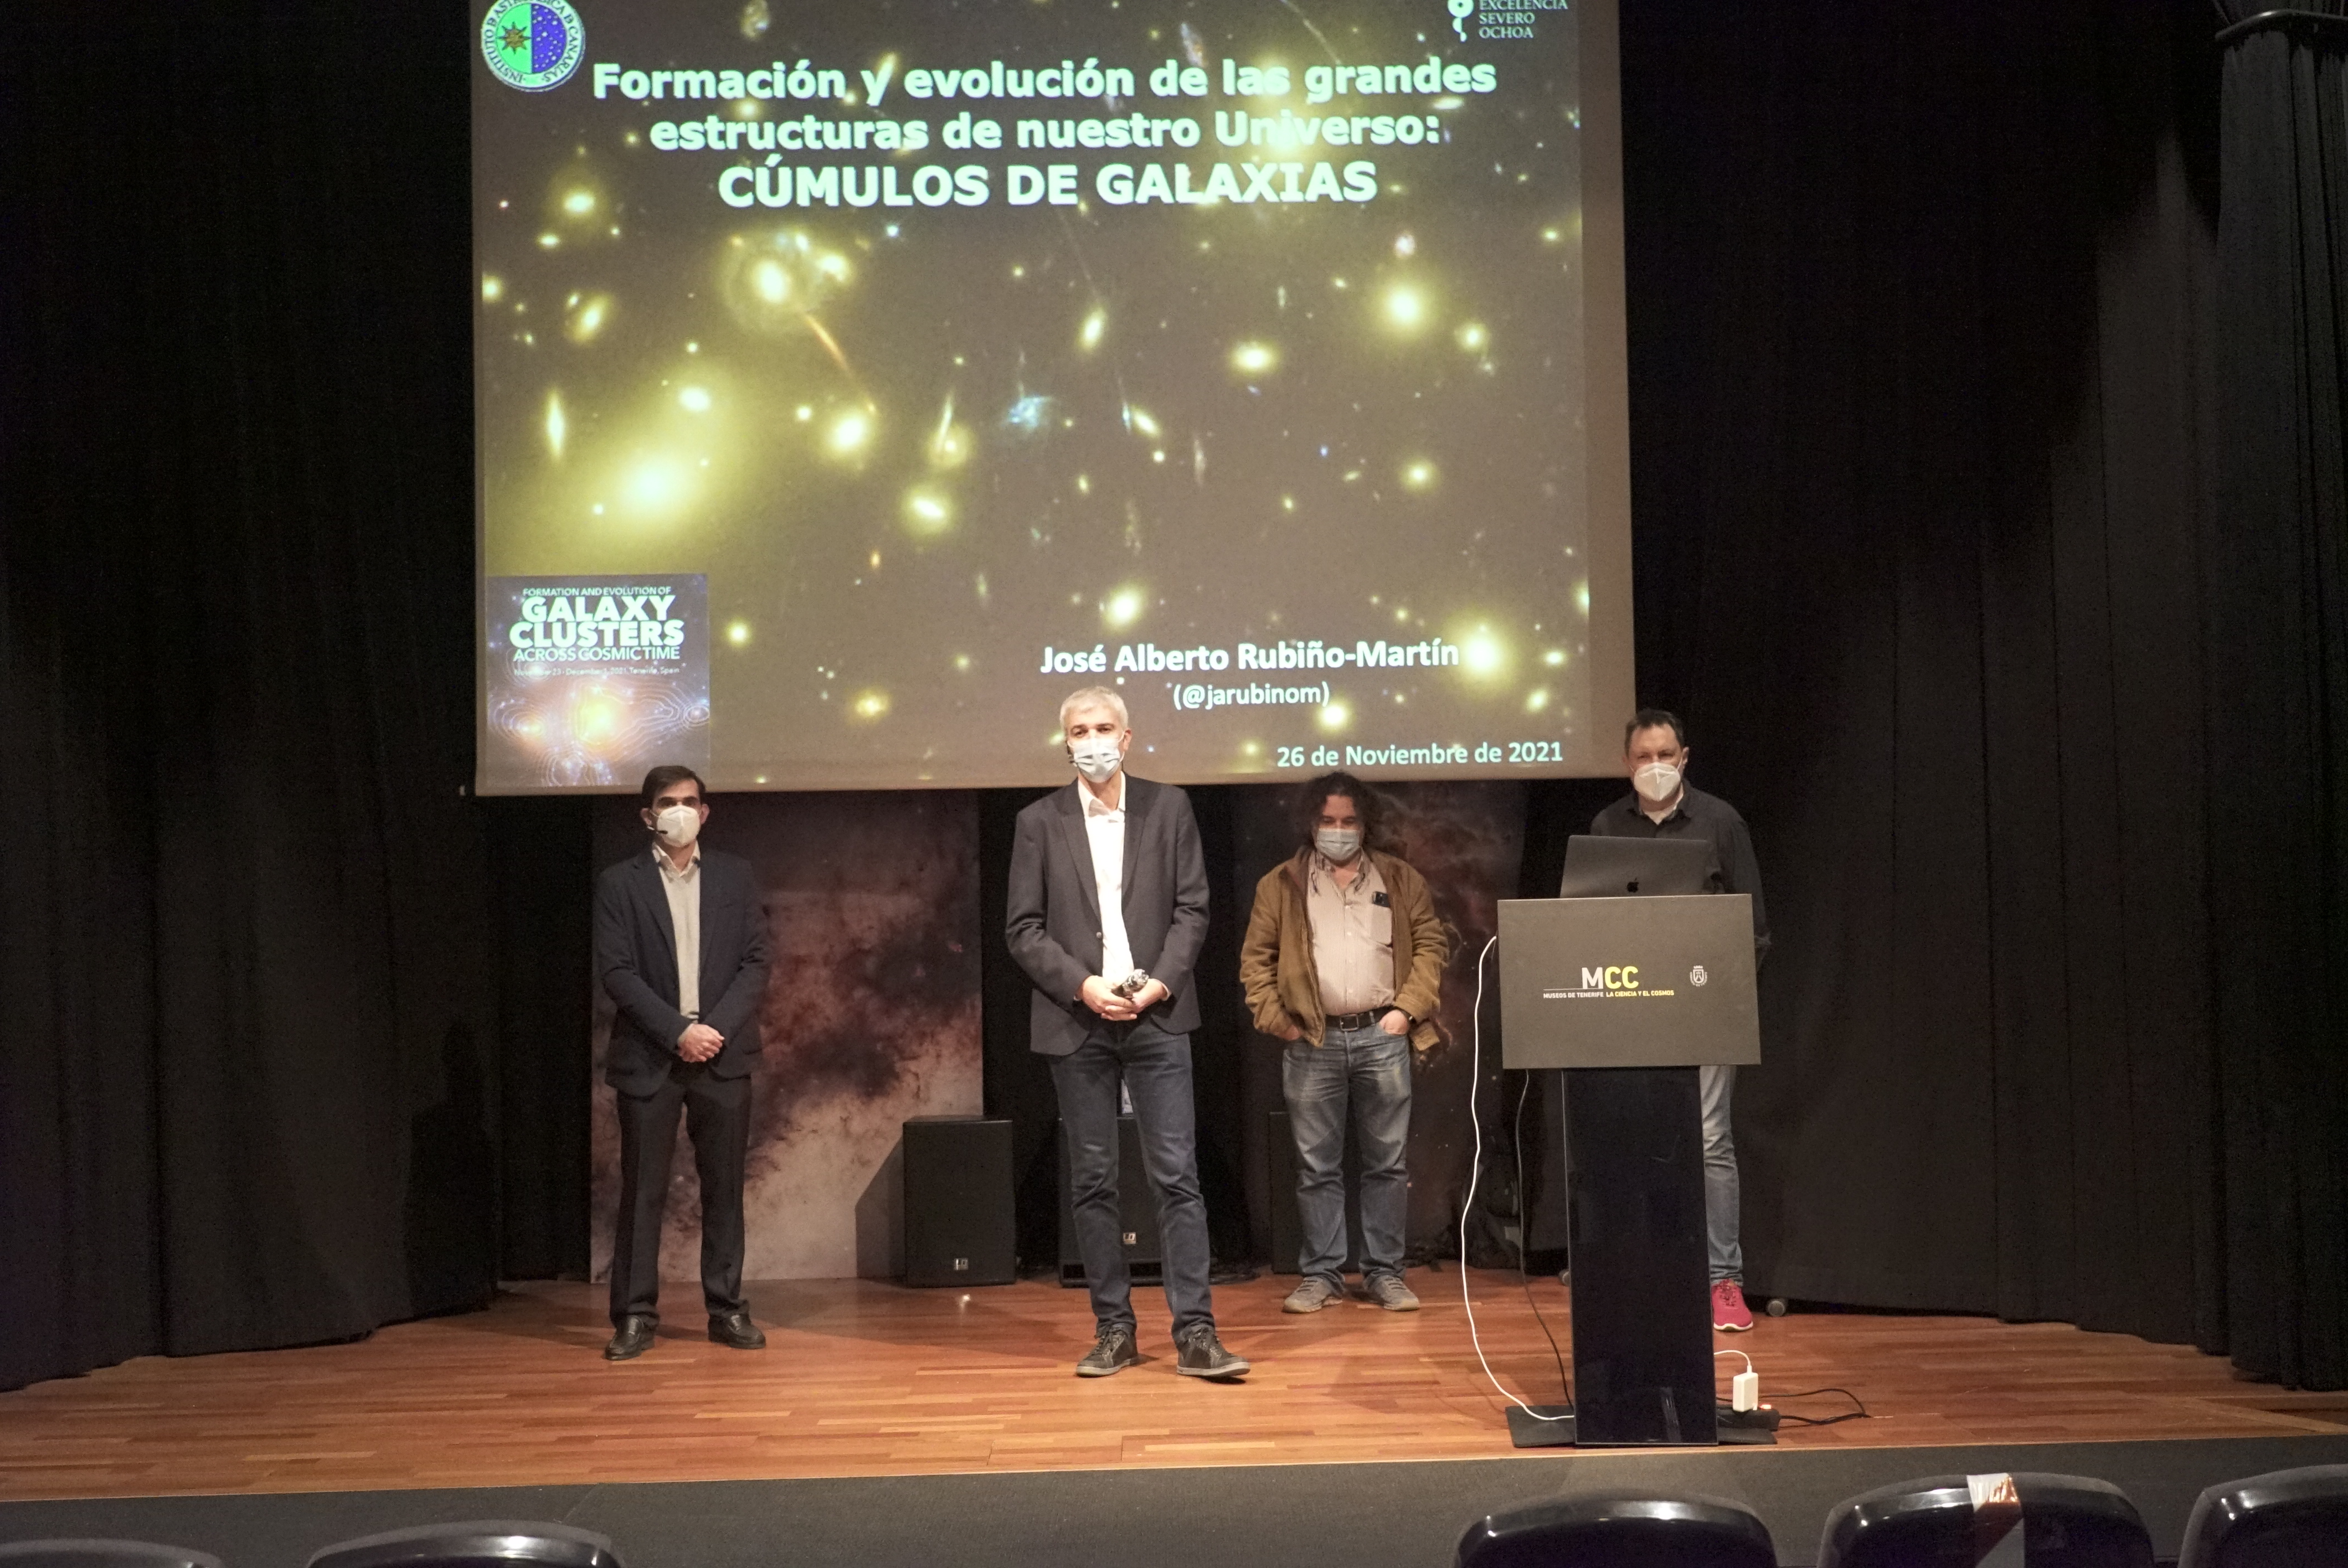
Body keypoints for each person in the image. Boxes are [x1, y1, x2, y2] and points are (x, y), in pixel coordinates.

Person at [1005, 687, 1249, 1380]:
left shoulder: (1168, 807)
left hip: (1158, 1016)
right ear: (1066, 743)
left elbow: (1193, 908)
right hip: (1077, 1020)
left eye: (1104, 727)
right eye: (1080, 731)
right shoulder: (1037, 822)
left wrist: (1159, 984)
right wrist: (1083, 986)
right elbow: (1023, 928)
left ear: (1127, 737)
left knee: (1176, 1176)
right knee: (1093, 1181)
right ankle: (1114, 1329)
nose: (1093, 741)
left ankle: (1196, 1333)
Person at [1587, 708, 1770, 1332]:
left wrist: (1724, 995)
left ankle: (1723, 1281)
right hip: (1633, 1010)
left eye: (1666, 754)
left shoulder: (1721, 822)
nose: (1655, 766)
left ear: (1684, 758)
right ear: (1626, 763)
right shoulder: (1608, 826)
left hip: (1707, 1009)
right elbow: (1589, 922)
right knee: (1636, 1139)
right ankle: (1644, 1275)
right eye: (1644, 756)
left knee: (1710, 1138)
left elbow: (1754, 928)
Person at [1240, 773, 1448, 1314]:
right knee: (1316, 1169)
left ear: (1365, 824)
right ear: (1311, 823)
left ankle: (1385, 1275)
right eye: (1328, 820)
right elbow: (1256, 963)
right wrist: (1283, 1024)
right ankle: (1322, 1276)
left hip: (1383, 1034)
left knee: (1387, 1166)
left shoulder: (1398, 878)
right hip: (1312, 1039)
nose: (1338, 830)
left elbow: (1430, 945)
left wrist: (1405, 1013)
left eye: (1348, 821)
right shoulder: (1280, 884)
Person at [594, 765, 774, 1361]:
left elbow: (756, 960)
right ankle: (635, 1315)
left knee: (724, 1190)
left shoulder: (735, 875)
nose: (680, 811)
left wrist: (713, 1030)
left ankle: (726, 1308)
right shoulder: (619, 883)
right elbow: (617, 972)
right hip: (652, 1056)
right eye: (668, 802)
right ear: (648, 815)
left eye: (690, 801)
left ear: (705, 812)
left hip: (722, 1053)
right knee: (643, 1191)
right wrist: (678, 1033)